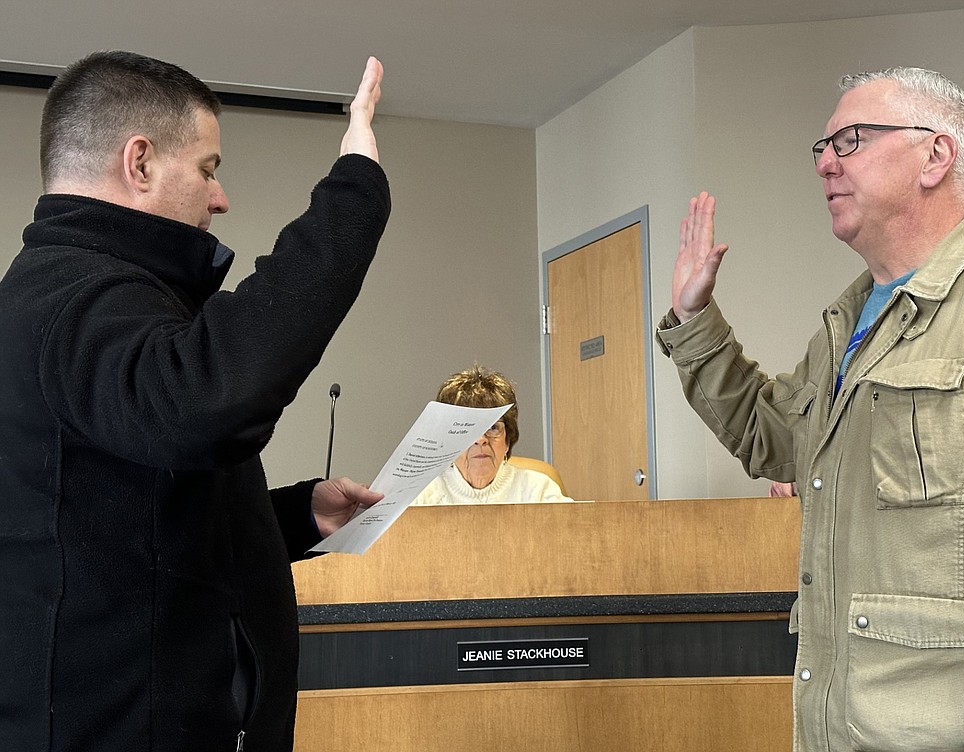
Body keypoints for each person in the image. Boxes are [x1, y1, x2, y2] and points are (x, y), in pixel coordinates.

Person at [657, 67, 964, 751]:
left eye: (853, 140)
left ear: (936, 155)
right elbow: (775, 439)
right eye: (824, 147)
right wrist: (693, 319)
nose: (826, 163)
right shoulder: (845, 324)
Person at [0, 51, 391, 751]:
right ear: (140, 162)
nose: (221, 198)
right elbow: (210, 402)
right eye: (209, 168)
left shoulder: (76, 295)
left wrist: (295, 515)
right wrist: (355, 192)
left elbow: (125, 514)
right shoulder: (77, 302)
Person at [413, 366, 572, 505]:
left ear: (508, 440)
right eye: (467, 429)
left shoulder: (538, 491)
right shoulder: (422, 496)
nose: (480, 439)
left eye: (493, 427)